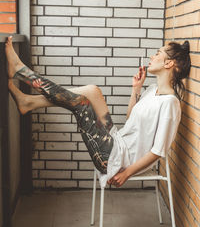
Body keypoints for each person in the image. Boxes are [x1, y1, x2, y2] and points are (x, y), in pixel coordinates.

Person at [5, 36, 191, 188]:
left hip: (116, 158)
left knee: (81, 104)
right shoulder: (152, 90)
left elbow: (158, 151)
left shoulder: (170, 104)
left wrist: (127, 173)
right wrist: (136, 89)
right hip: (116, 142)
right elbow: (130, 119)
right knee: (93, 91)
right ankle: (28, 101)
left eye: (157, 53)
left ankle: (22, 74)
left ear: (169, 64)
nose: (152, 56)